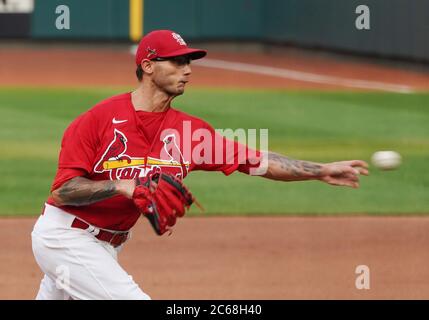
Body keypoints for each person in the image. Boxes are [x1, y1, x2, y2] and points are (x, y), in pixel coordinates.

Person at [31, 29, 369, 300]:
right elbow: (63, 191)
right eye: (177, 62)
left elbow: (258, 161)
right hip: (66, 237)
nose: (188, 70)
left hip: (105, 248)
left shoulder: (190, 132)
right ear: (148, 66)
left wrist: (320, 170)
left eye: (189, 62)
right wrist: (125, 185)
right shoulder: (97, 120)